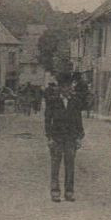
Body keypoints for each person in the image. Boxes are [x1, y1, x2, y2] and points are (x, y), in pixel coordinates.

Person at [44, 74, 85, 202]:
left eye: (69, 86)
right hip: (57, 137)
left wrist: (79, 136)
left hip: (71, 138)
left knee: (70, 165)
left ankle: (69, 192)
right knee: (55, 165)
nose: (67, 89)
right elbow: (47, 120)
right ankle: (55, 191)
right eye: (64, 86)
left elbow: (79, 120)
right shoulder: (53, 101)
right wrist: (49, 137)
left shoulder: (75, 101)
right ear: (60, 88)